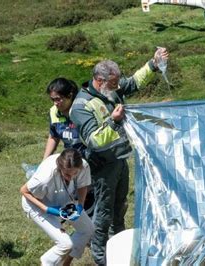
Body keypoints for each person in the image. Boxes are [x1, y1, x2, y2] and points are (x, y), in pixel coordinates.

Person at [70, 48, 169, 265]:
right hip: (102, 167)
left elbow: (132, 83)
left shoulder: (110, 90)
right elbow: (94, 140)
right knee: (103, 214)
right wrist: (113, 121)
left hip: (120, 160)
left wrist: (152, 64)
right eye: (113, 83)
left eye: (116, 82)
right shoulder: (81, 106)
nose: (117, 87)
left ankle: (122, 253)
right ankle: (101, 259)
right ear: (99, 80)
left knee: (120, 208)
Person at [20, 148, 94, 266]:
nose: (71, 177)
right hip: (36, 203)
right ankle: (48, 262)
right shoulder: (45, 177)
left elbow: (82, 186)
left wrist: (80, 205)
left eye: (74, 173)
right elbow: (24, 191)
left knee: (87, 229)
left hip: (62, 197)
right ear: (60, 168)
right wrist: (47, 209)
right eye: (67, 174)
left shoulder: (83, 166)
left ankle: (65, 263)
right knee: (65, 244)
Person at [43, 78, 85, 160]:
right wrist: (44, 161)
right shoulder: (54, 111)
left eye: (58, 99)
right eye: (53, 99)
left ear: (70, 95)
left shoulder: (83, 110)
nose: (55, 103)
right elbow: (53, 137)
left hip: (91, 157)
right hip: (70, 158)